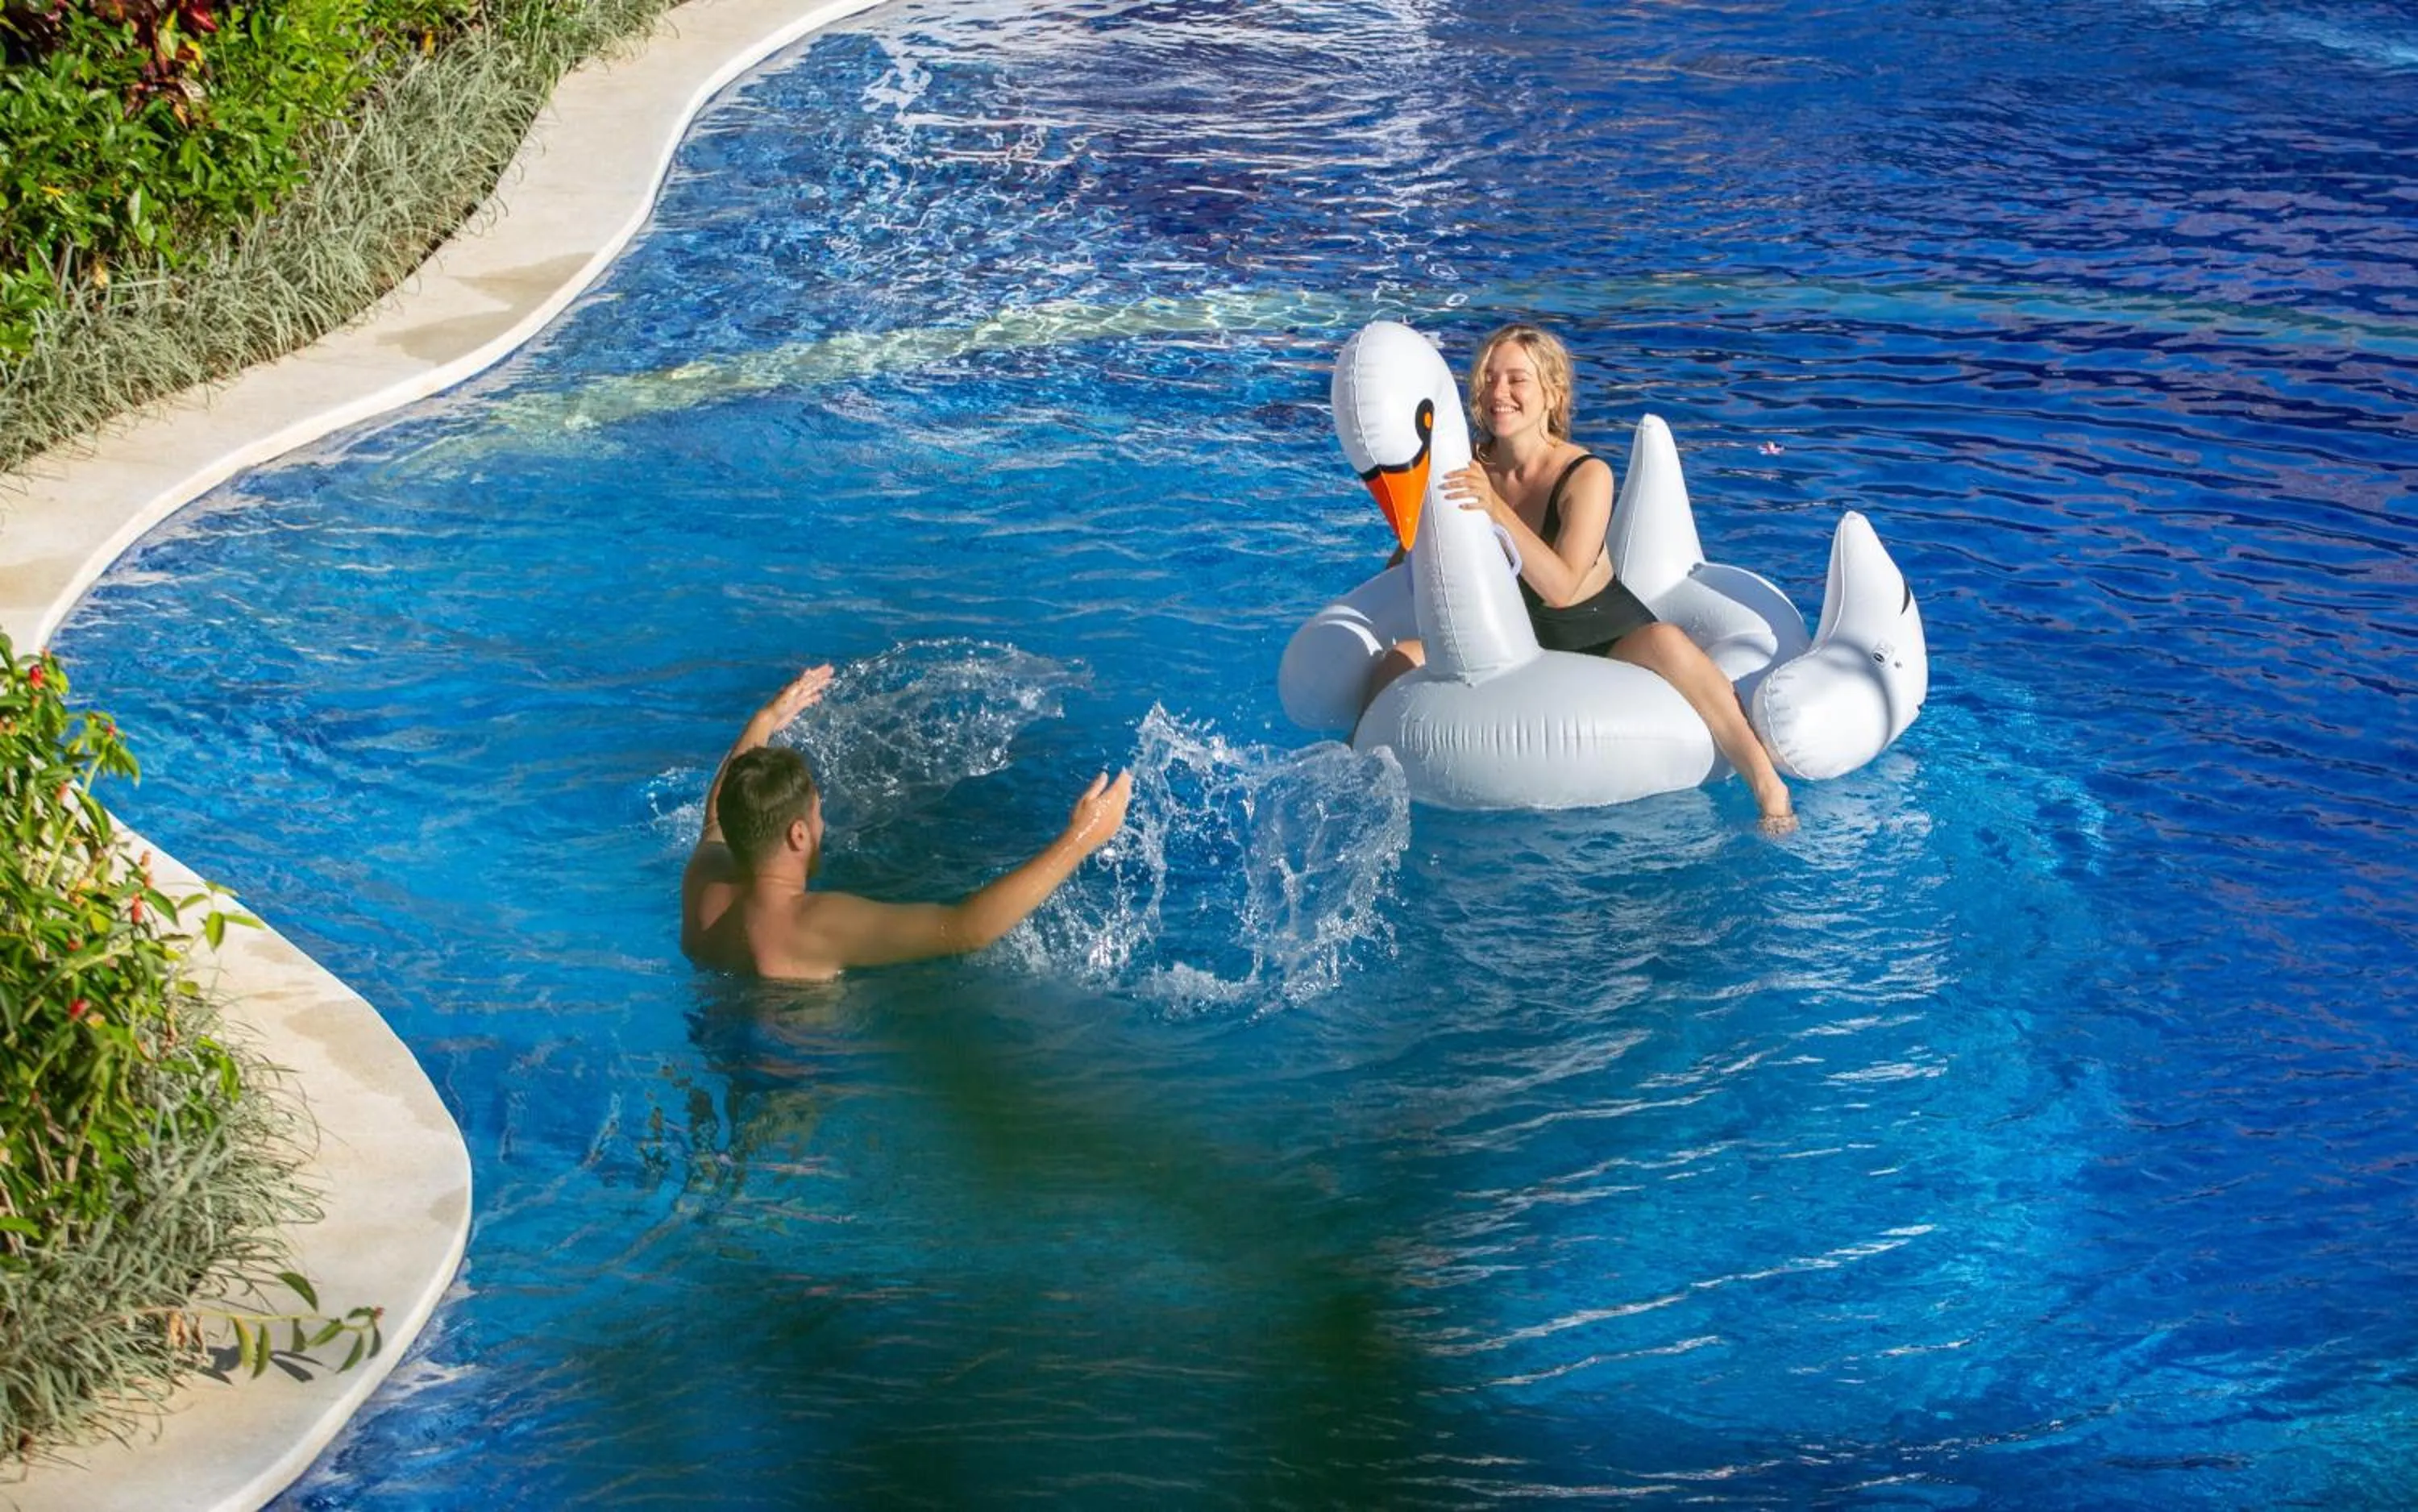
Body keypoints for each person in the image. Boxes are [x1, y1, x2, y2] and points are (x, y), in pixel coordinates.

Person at [1365, 323, 1797, 833]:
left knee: (1668, 641)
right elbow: (1412, 554)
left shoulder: (1586, 475)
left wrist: (1495, 508)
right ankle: (1356, 782)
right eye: (1488, 379)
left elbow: (1565, 588)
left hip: (1599, 631)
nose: (1498, 393)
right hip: (1511, 634)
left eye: (1517, 380)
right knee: (1396, 660)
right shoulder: (1467, 466)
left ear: (1552, 392)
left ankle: (1768, 786)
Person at [680, 663, 1134, 979]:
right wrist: (1083, 837)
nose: (822, 826)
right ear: (798, 834)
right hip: (791, 1081)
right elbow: (966, 929)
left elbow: (717, 815)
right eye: (817, 814)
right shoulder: (815, 924)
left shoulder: (705, 886)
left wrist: (766, 719)